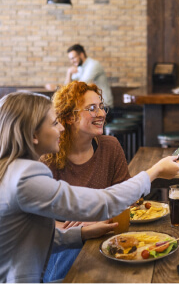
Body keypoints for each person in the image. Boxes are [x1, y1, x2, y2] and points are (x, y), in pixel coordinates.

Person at [0, 91, 179, 283]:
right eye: (54, 123)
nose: (61, 128)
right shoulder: (25, 177)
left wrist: (83, 233)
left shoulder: (10, 170)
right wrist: (154, 172)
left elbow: (31, 238)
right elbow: (104, 202)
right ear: (34, 135)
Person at [41, 81, 131, 281]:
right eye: (92, 108)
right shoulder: (48, 156)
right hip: (60, 247)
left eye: (101, 106)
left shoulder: (110, 147)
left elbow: (126, 201)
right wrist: (80, 231)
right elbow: (37, 222)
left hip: (105, 238)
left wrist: (96, 220)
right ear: (70, 117)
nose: (101, 114)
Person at [65, 44, 114, 108]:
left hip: (104, 106)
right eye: (70, 59)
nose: (72, 61)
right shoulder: (80, 67)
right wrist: (69, 73)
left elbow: (80, 85)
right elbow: (67, 88)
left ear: (81, 55)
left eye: (73, 58)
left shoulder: (93, 65)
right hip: (93, 106)